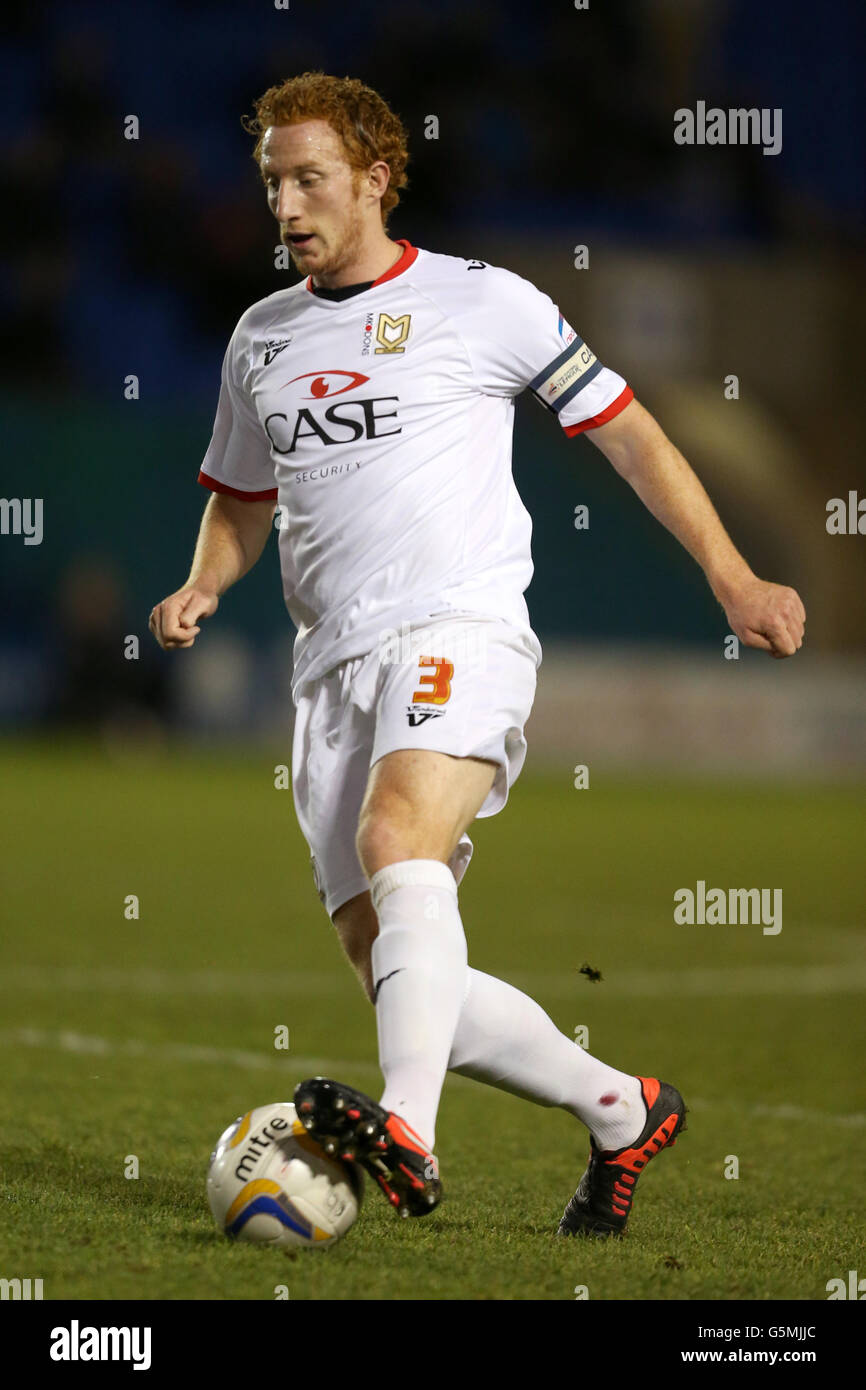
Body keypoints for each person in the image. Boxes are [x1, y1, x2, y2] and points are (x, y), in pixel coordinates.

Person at [149, 72, 805, 1236]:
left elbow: (630, 434)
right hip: (329, 668)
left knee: (396, 837)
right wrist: (204, 580)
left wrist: (729, 572)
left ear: (376, 179)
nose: (286, 205)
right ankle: (619, 1105)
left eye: (310, 179)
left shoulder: (483, 302)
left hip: (458, 624)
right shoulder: (261, 338)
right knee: (394, 966)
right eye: (271, 182)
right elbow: (244, 497)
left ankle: (408, 1126)